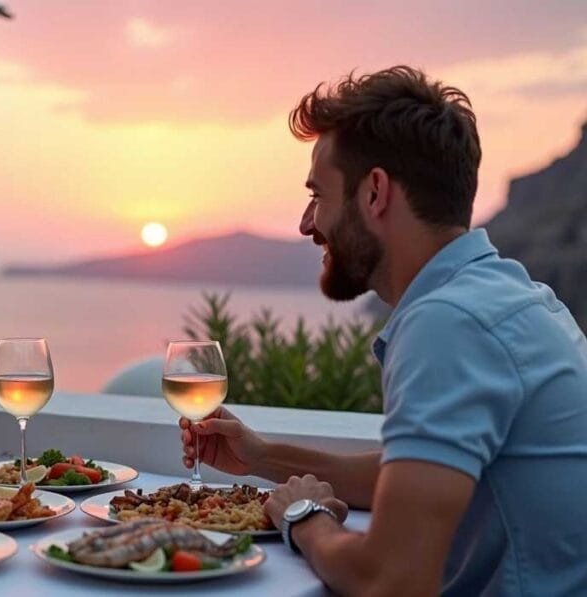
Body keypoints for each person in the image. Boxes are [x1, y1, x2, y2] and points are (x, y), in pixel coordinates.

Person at [181, 66, 587, 595]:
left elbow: (391, 580)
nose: (307, 224)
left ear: (375, 193)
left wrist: (304, 519)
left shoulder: (448, 324)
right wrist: (264, 457)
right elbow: (415, 483)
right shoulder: (511, 296)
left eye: (318, 195)